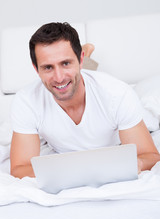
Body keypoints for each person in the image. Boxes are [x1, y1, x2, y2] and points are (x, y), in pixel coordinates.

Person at [10, 22, 160, 178]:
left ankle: (86, 53)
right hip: (82, 76)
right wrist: (74, 171)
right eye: (48, 67)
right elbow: (20, 168)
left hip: (102, 99)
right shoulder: (26, 100)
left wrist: (137, 164)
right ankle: (82, 57)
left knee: (78, 79)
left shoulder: (117, 93)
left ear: (79, 59)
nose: (58, 77)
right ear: (36, 68)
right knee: (70, 80)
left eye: (65, 63)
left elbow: (150, 156)